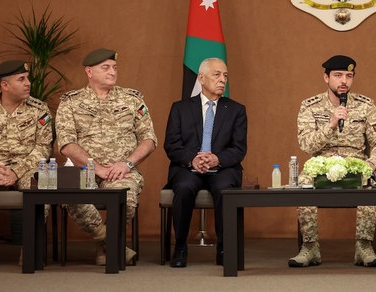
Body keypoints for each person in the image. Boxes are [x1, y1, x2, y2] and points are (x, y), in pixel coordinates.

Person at [56, 48, 157, 266]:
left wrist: (127, 163)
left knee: (125, 197)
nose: (112, 72)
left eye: (114, 67)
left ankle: (105, 248)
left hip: (122, 170)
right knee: (69, 193)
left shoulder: (132, 99)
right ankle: (111, 243)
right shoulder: (71, 102)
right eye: (106, 68)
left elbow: (149, 140)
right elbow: (66, 144)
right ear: (89, 72)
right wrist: (97, 168)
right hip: (84, 169)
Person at [289, 55, 376, 268]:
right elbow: (307, 144)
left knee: (369, 184)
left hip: (356, 163)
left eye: (349, 76)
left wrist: (371, 164)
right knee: (304, 184)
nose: (344, 81)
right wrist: (332, 124)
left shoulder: (366, 105)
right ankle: (310, 247)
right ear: (326, 78)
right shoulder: (310, 106)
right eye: (338, 75)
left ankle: (364, 247)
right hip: (321, 165)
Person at [164, 58, 247, 268]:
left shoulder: (236, 110)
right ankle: (181, 246)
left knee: (224, 189)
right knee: (184, 187)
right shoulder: (180, 108)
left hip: (222, 168)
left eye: (225, 76)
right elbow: (171, 145)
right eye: (217, 75)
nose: (222, 80)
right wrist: (193, 159)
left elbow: (239, 148)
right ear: (201, 78)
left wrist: (216, 159)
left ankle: (224, 247)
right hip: (187, 167)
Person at [0, 60, 53, 266]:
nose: (29, 83)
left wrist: (16, 171)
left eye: (28, 78)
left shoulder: (39, 109)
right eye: (21, 79)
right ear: (5, 85)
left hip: (28, 168)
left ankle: (30, 253)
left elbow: (44, 148)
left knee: (42, 186)